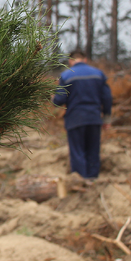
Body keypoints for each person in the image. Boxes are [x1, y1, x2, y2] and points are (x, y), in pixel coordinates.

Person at [52, 49, 113, 179]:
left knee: (77, 152)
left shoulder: (66, 75)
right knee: (93, 151)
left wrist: (51, 97)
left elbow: (59, 100)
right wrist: (107, 118)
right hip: (94, 118)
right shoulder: (98, 74)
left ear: (70, 61)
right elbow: (107, 98)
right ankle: (92, 181)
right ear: (85, 59)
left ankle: (80, 182)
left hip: (75, 119)